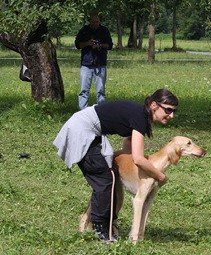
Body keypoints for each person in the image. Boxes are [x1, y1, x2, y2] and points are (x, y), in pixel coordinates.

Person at [53, 89, 178, 241]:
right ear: (154, 105)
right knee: (106, 180)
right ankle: (101, 230)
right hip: (81, 130)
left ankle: (99, 225)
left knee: (107, 178)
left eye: (173, 112)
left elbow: (128, 147)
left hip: (87, 128)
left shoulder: (141, 115)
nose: (171, 116)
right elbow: (138, 158)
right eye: (168, 110)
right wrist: (160, 176)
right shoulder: (140, 117)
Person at [75, 13, 113, 110]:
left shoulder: (104, 30)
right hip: (86, 64)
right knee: (83, 90)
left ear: (99, 21)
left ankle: (101, 111)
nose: (95, 23)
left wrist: (99, 45)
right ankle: (83, 111)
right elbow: (77, 44)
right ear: (89, 22)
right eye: (93, 22)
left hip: (100, 64)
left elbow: (110, 45)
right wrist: (88, 43)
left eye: (96, 22)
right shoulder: (84, 30)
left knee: (100, 90)